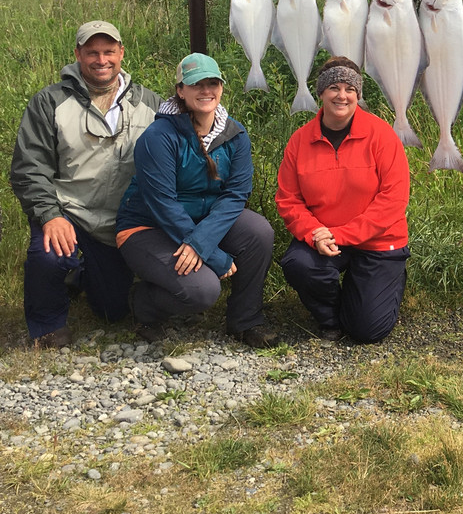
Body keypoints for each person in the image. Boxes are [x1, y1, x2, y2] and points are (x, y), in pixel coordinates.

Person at [10, 21, 161, 348]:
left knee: (112, 311)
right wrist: (50, 215)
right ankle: (48, 325)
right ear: (78, 54)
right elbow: (29, 167)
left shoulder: (150, 103)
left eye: (109, 51)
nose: (101, 60)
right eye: (92, 53)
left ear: (121, 53)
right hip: (69, 212)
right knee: (49, 254)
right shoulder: (49, 102)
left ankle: (77, 276)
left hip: (119, 221)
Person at [115, 53, 279, 347]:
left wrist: (201, 242)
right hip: (148, 228)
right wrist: (211, 254)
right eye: (196, 84)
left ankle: (246, 321)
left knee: (259, 232)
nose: (206, 90)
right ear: (180, 90)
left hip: (200, 223)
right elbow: (163, 204)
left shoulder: (235, 134)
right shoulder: (158, 136)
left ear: (221, 87)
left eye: (213, 83)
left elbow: (236, 195)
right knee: (203, 290)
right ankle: (143, 303)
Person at [275, 57, 411, 343]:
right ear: (321, 93)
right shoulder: (300, 141)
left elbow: (393, 199)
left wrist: (341, 234)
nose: (342, 95)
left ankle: (376, 289)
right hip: (324, 239)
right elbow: (288, 200)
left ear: (358, 95)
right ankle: (331, 317)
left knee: (366, 331)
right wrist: (314, 233)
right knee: (299, 264)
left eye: (350, 89)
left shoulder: (382, 135)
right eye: (334, 87)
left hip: (378, 242)